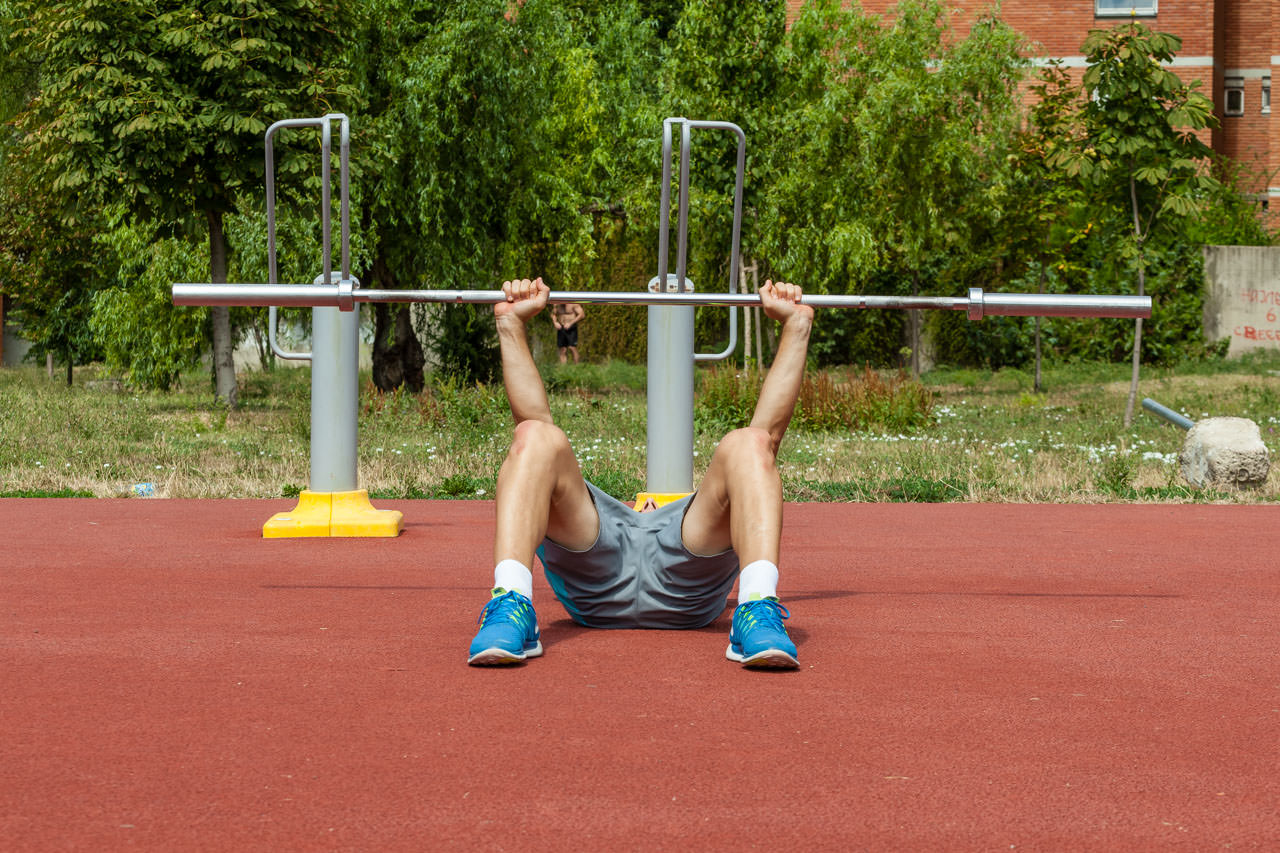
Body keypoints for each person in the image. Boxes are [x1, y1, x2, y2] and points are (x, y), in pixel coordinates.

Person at [468, 276, 813, 669]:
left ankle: (757, 607)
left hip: (686, 571)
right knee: (533, 435)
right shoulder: (603, 517)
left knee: (750, 443)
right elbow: (534, 430)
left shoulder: (686, 517)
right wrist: (510, 324)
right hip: (597, 563)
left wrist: (797, 325)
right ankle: (510, 601)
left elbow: (766, 438)